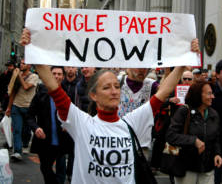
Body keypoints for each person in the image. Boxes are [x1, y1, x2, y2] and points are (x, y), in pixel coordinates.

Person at [20, 28, 200, 183]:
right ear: (93, 96)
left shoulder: (131, 122)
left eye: (116, 86)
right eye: (106, 87)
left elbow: (163, 93)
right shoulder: (82, 123)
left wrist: (184, 60)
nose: (114, 91)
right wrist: (33, 52)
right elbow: (53, 89)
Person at [166, 81, 222, 184]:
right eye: (209, 93)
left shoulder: (214, 114)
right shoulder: (184, 111)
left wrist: (217, 154)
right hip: (187, 168)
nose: (213, 97)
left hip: (208, 169)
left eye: (212, 93)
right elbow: (171, 136)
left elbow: (216, 138)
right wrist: (193, 141)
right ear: (198, 94)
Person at [26, 66, 73, 184]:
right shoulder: (41, 94)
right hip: (45, 141)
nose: (56, 76)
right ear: (49, 75)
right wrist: (36, 128)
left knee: (61, 171)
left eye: (59, 74)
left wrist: (69, 125)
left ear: (63, 76)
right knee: (45, 168)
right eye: (54, 74)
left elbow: (74, 115)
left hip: (62, 141)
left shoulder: (67, 94)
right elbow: (30, 116)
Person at [5, 58, 39, 160]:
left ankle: (25, 144)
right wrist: (9, 107)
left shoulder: (34, 76)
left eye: (24, 63)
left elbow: (26, 87)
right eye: (21, 63)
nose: (21, 65)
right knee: (16, 130)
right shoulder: (16, 75)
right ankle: (17, 152)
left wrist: (19, 76)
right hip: (16, 106)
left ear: (29, 66)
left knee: (26, 131)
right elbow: (13, 92)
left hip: (28, 108)